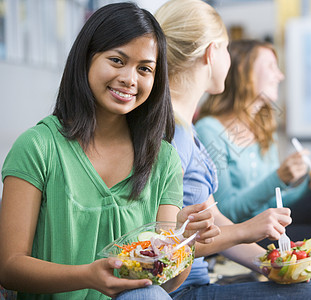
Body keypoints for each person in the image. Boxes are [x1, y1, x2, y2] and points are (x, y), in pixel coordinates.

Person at [0, 3, 219, 299]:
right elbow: (9, 267)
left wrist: (183, 240)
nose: (130, 79)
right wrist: (87, 276)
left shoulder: (164, 160)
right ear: (86, 59)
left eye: (145, 69)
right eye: (117, 60)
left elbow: (165, 282)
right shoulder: (39, 146)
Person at [149, 0, 311, 299]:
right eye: (226, 47)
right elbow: (168, 241)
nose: (279, 76)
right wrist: (250, 226)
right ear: (213, 53)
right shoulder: (180, 135)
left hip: (199, 279)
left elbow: (215, 218)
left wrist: (271, 264)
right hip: (182, 287)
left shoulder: (190, 132)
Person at [196, 39, 311, 300]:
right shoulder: (209, 129)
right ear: (245, 73)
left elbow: (277, 202)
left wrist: (310, 182)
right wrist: (280, 177)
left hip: (272, 227)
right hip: (244, 236)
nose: (280, 75)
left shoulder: (260, 129)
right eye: (271, 66)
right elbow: (227, 212)